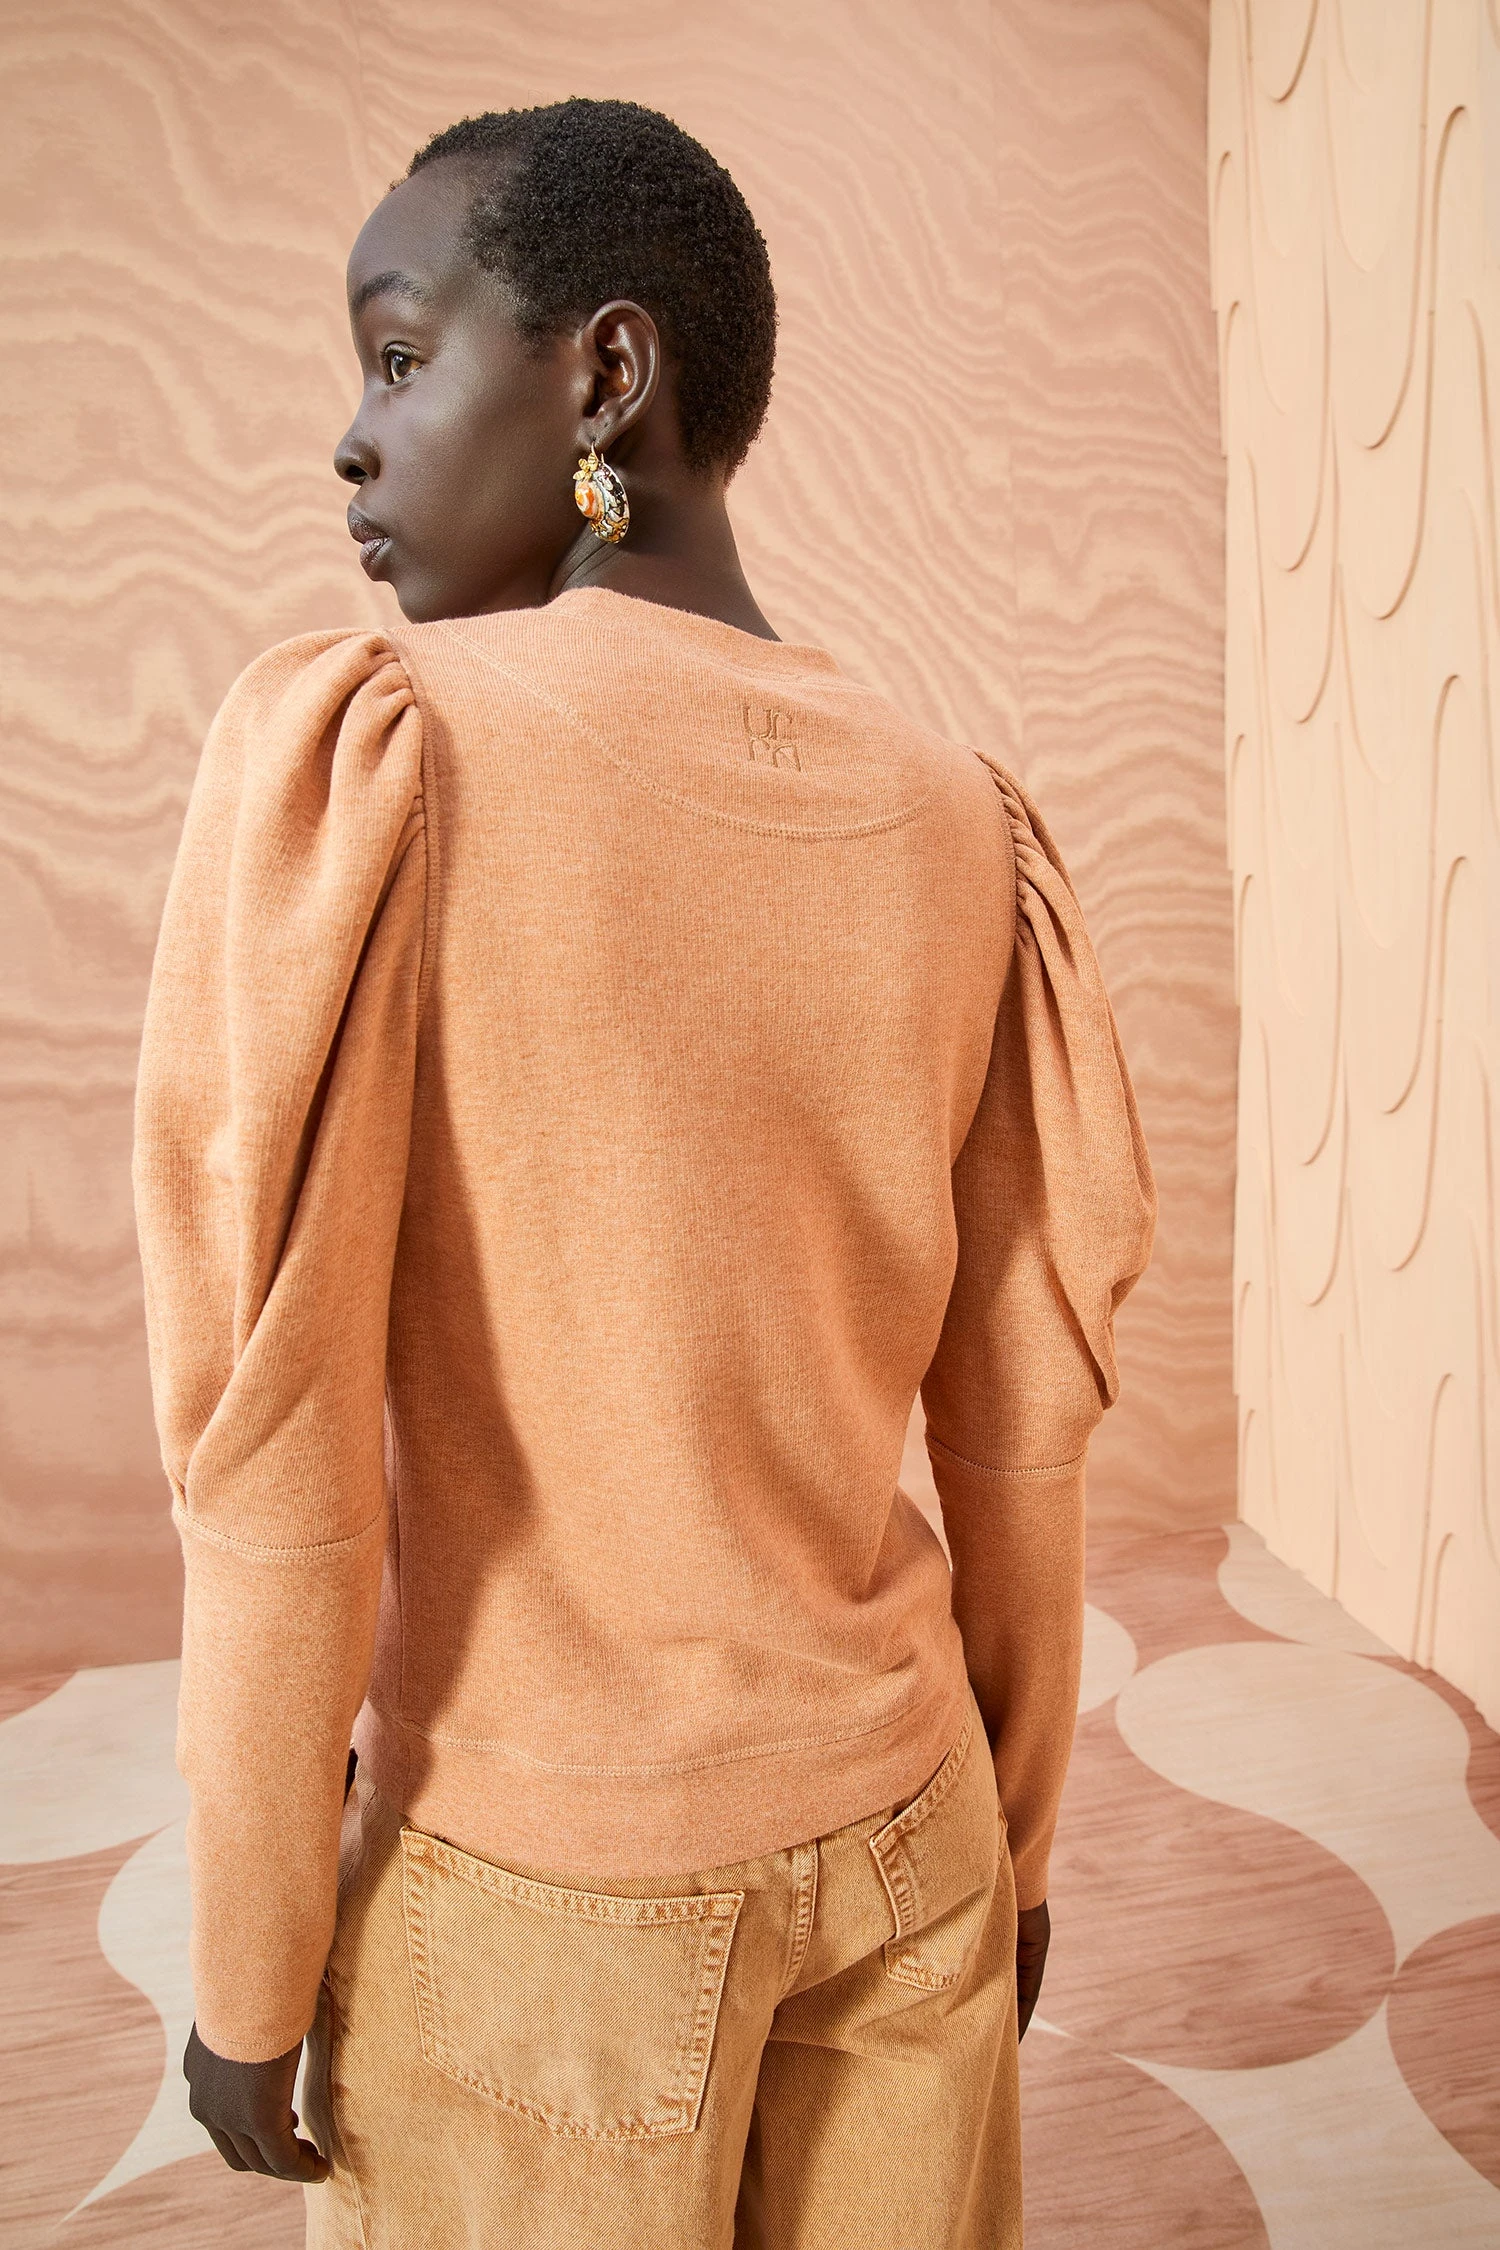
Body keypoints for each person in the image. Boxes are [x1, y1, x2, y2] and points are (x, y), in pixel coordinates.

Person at [133, 97, 1155, 2250]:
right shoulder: (962, 814)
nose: (350, 440)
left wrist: (250, 1956)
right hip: (914, 1837)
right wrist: (1023, 1842)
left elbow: (273, 1442)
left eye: (399, 355)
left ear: (609, 375)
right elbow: (1020, 1424)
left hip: (548, 1890)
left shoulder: (392, 764)